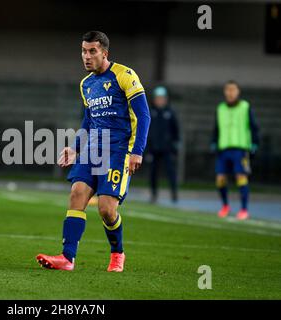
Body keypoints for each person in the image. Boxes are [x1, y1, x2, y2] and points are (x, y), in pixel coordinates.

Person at [36, 31, 151, 272]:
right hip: (92, 150)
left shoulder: (124, 75)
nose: (86, 56)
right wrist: (75, 148)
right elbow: (88, 122)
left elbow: (144, 115)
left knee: (107, 210)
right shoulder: (86, 84)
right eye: (83, 51)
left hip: (119, 150)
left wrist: (137, 151)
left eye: (92, 51)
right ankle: (68, 258)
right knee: (77, 193)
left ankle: (117, 253)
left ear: (104, 53)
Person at [211, 80, 259, 220]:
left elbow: (254, 126)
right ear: (225, 92)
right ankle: (225, 206)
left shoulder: (245, 107)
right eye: (228, 90)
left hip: (240, 149)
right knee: (220, 179)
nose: (230, 93)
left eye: (233, 90)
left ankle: (244, 209)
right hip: (223, 148)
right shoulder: (220, 108)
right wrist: (213, 141)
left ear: (238, 92)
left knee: (241, 177)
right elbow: (216, 127)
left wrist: (255, 142)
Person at [147, 86, 180, 203]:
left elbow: (176, 129)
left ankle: (174, 193)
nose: (160, 100)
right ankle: (154, 194)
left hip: (167, 148)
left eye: (162, 98)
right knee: (153, 173)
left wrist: (175, 143)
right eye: (158, 98)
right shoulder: (150, 112)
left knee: (171, 172)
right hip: (153, 148)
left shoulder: (170, 112)